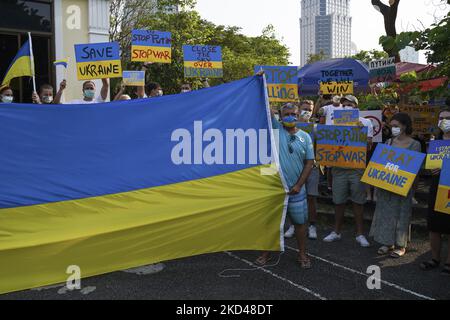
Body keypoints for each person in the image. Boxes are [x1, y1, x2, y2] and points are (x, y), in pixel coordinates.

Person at [256, 103, 315, 269]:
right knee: (270, 223)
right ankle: (265, 253)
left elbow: (309, 163)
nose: (291, 117)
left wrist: (298, 185)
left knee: (300, 224)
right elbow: (265, 107)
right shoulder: (275, 131)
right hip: (275, 190)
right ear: (280, 117)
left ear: (298, 116)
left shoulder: (306, 137)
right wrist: (260, 80)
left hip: (297, 190)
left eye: (294, 114)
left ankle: (302, 253)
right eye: (287, 114)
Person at [322, 95, 374, 247]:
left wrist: (359, 132)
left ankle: (360, 234)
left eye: (349, 104)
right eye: (344, 105)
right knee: (338, 201)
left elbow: (369, 146)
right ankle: (336, 232)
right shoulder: (333, 121)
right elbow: (328, 143)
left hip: (357, 168)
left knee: (358, 202)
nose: (346, 107)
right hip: (339, 168)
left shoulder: (365, 122)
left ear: (356, 107)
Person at [369, 113, 421, 258]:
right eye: (392, 126)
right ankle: (387, 242)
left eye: (396, 126)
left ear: (405, 126)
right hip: (387, 185)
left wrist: (414, 191)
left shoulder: (415, 144)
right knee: (386, 214)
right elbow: (380, 164)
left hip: (404, 187)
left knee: (402, 215)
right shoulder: (388, 143)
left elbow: (415, 170)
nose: (393, 129)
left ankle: (400, 245)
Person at [420, 108, 450, 275]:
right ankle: (435, 258)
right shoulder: (435, 142)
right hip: (436, 187)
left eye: (448, 118)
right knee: (434, 226)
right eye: (441, 118)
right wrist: (432, 169)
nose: (444, 121)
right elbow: (431, 166)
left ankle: (448, 262)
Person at [284, 100, 319, 240]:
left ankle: (312, 226)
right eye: (304, 109)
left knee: (311, 197)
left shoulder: (317, 128)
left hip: (312, 168)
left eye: (309, 110)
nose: (307, 112)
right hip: (295, 168)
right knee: (292, 196)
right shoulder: (286, 128)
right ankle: (293, 225)